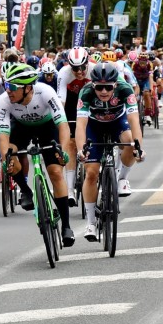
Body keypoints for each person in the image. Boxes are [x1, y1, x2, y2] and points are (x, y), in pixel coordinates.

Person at [0, 63, 75, 246]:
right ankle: (25, 190)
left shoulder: (46, 92)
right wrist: (5, 158)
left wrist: (62, 151)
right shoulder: (4, 100)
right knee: (9, 157)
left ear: (28, 88)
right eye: (6, 85)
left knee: (56, 173)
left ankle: (66, 226)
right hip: (21, 128)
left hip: (47, 127)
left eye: (13, 87)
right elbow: (3, 136)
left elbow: (63, 125)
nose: (8, 91)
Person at [76, 63, 145, 241]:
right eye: (99, 87)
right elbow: (81, 125)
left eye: (108, 87)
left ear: (115, 84)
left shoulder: (125, 89)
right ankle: (91, 222)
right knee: (91, 173)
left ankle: (122, 178)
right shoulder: (86, 92)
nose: (104, 91)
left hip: (117, 122)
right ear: (93, 85)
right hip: (94, 126)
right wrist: (81, 150)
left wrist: (139, 147)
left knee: (130, 142)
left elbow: (134, 120)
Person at [56, 47, 90, 206]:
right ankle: (70, 189)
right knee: (70, 143)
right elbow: (61, 102)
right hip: (71, 103)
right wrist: (60, 123)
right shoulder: (64, 73)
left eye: (83, 67)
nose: (80, 71)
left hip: (91, 101)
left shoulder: (94, 70)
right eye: (75, 68)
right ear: (69, 66)